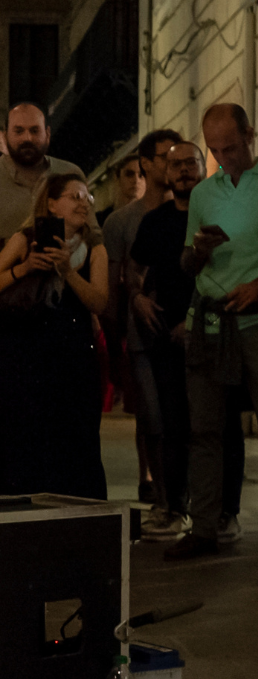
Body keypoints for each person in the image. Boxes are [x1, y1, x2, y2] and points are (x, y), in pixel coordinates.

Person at [0, 172, 108, 499]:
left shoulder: (94, 248)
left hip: (74, 357)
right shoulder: (26, 238)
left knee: (76, 442)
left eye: (87, 197)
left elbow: (99, 302)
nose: (83, 203)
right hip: (28, 357)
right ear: (51, 203)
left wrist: (67, 271)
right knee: (30, 441)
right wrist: (26, 267)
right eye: (74, 197)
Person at [166, 103, 258, 559]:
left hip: (254, 322)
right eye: (216, 150)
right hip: (210, 318)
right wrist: (198, 249)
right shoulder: (204, 194)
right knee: (204, 428)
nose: (225, 157)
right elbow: (186, 263)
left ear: (250, 136)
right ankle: (203, 526)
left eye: (232, 147)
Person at [131, 141, 210, 542]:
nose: (183, 170)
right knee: (172, 425)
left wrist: (192, 321)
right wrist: (138, 296)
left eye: (190, 163)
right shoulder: (155, 221)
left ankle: (216, 511)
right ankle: (175, 507)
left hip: (211, 333)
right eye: (175, 164)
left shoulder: (213, 214)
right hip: (165, 338)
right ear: (164, 170)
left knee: (213, 426)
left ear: (202, 166)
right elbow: (135, 268)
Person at [102, 129, 184, 511]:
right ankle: (160, 494)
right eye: (166, 156)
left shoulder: (190, 209)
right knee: (152, 417)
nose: (174, 164)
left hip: (184, 330)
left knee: (183, 418)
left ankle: (182, 498)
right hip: (141, 335)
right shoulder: (122, 221)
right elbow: (117, 280)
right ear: (146, 164)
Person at [0, 103, 84, 276]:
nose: (27, 138)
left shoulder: (70, 173)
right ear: (7, 136)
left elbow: (94, 239)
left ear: (47, 134)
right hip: (1, 292)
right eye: (19, 131)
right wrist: (3, 246)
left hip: (63, 288)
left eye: (35, 131)